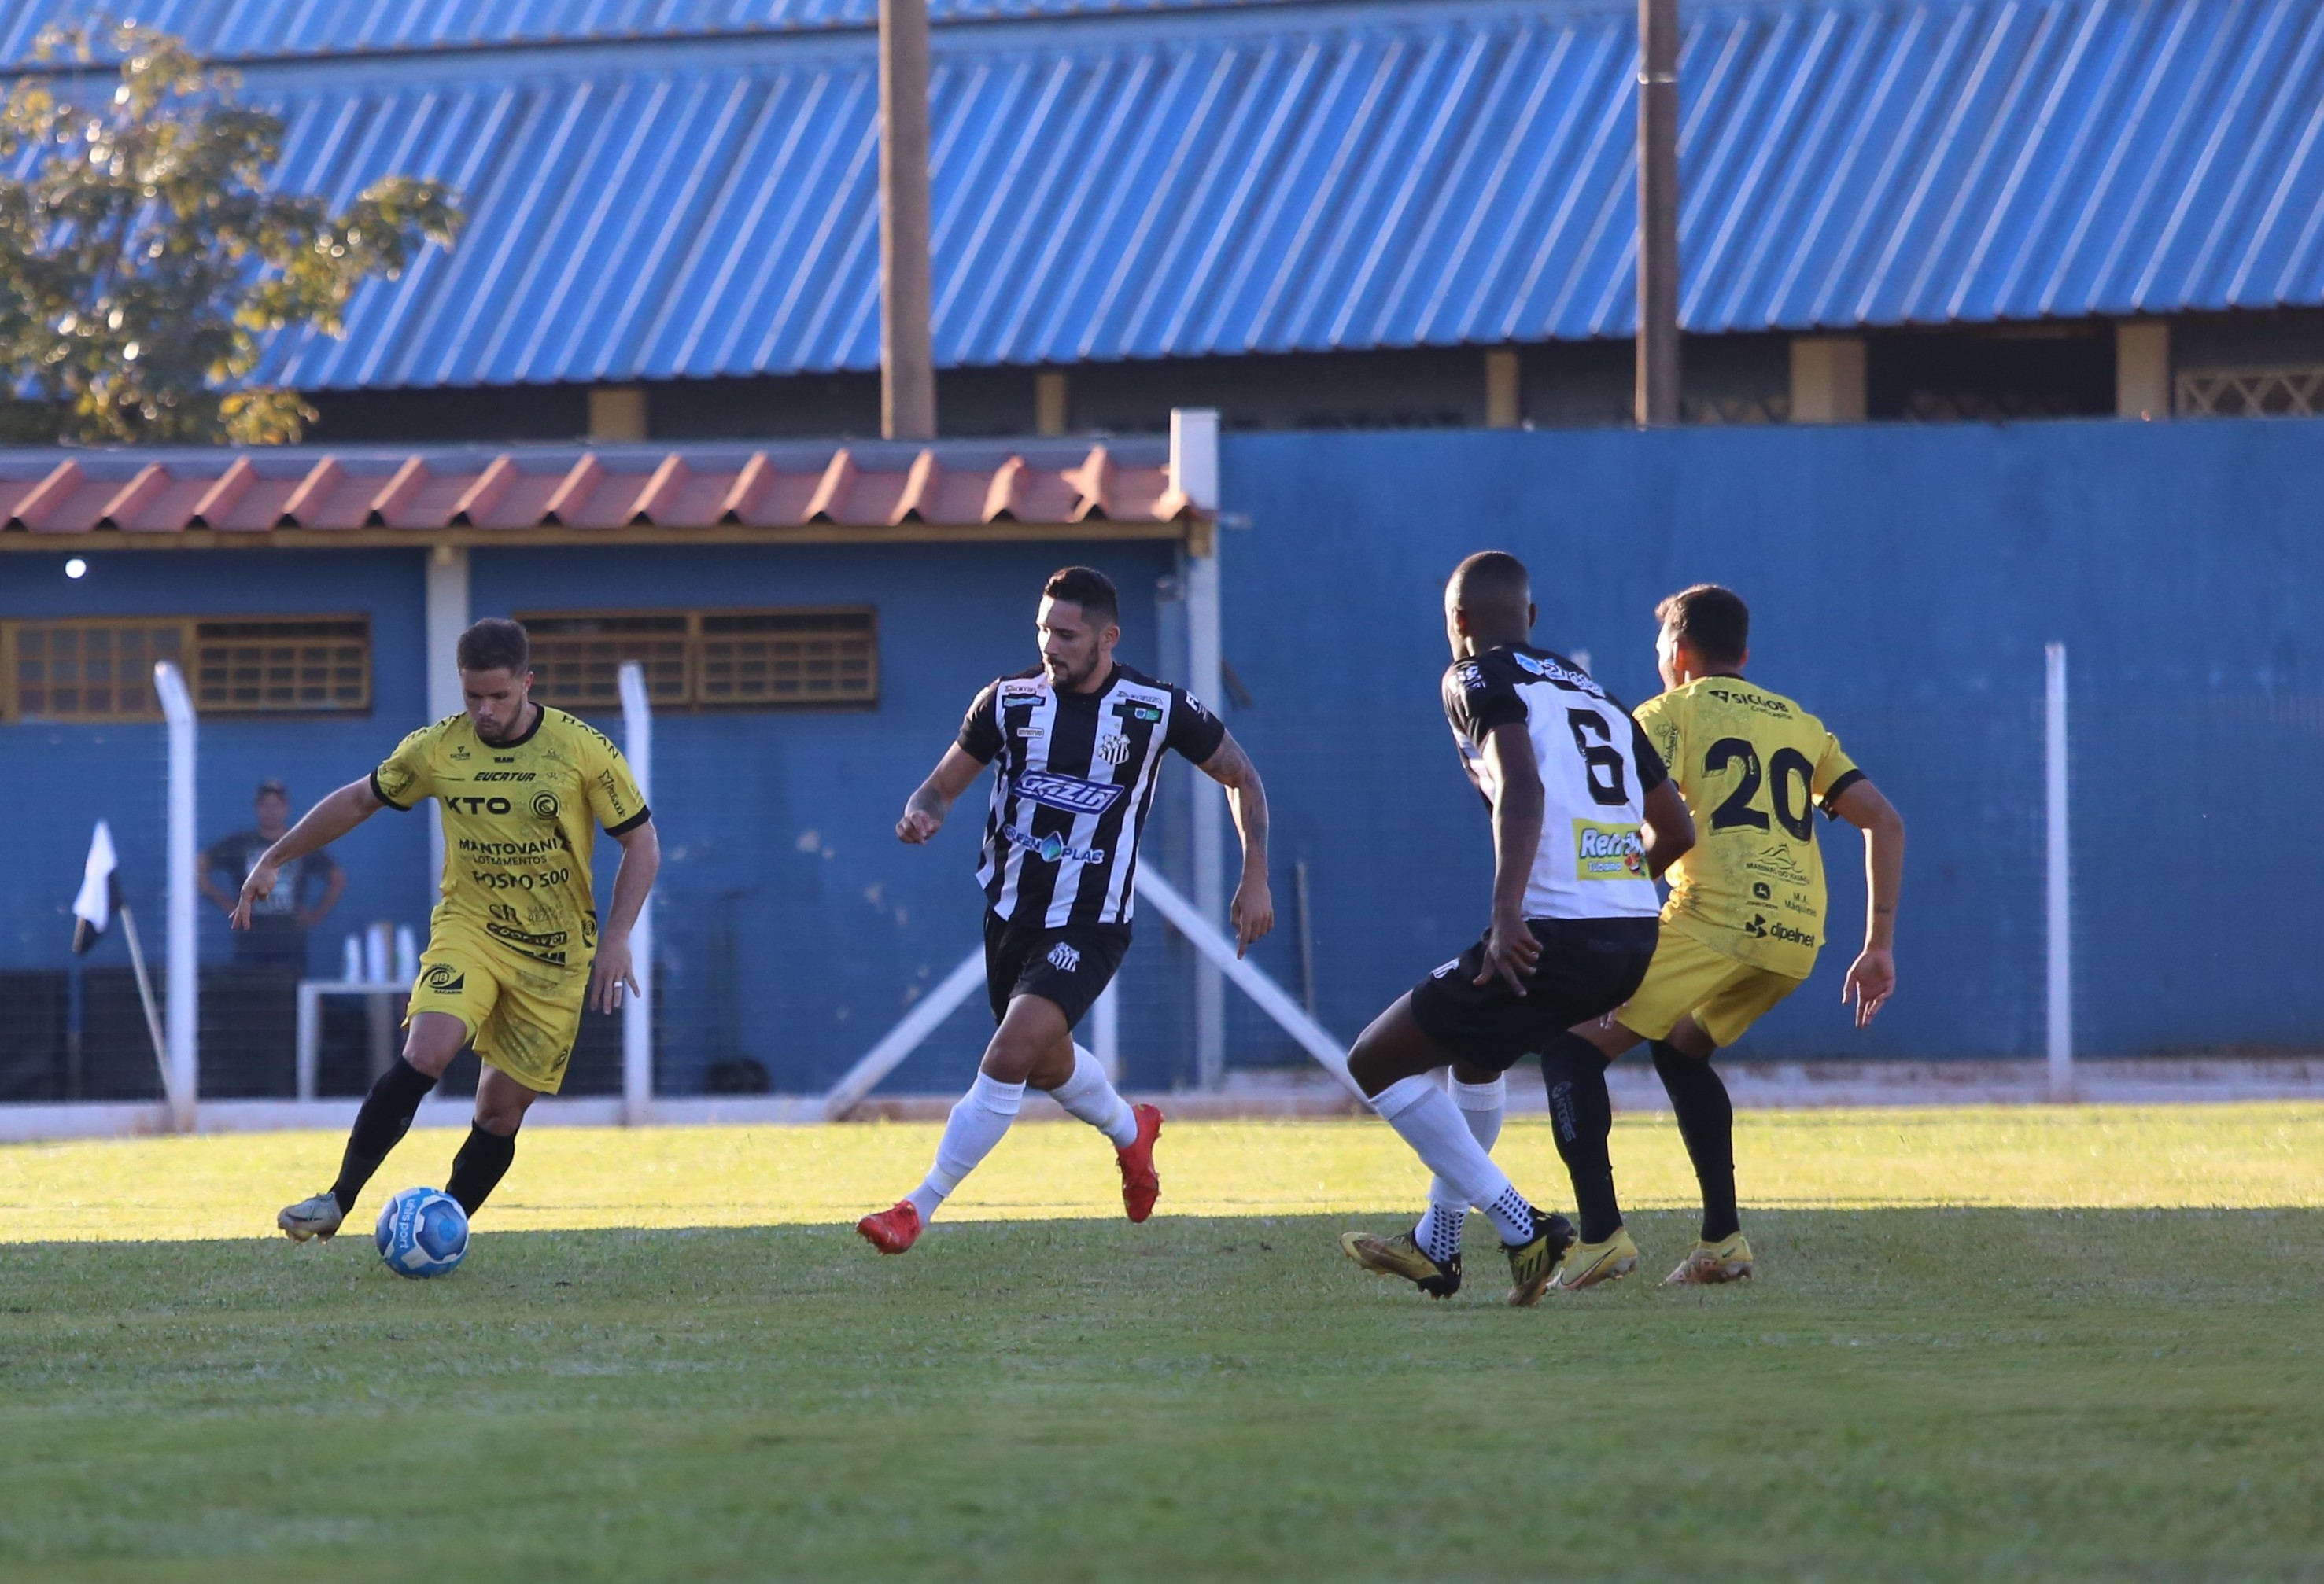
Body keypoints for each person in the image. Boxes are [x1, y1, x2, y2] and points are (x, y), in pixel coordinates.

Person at [1367, 584, 1905, 1293]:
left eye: (1659, 651)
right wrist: (1878, 945)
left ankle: (1599, 1238)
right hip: (1798, 934)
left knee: (1569, 1046)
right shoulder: (1801, 724)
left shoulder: (1666, 713)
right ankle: (1722, 1239)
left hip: (1711, 918)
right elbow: (1884, 821)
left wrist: (1608, 889)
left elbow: (1626, 807)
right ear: (1743, 651)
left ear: (1677, 655)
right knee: (1684, 1052)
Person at [856, 566, 1274, 1254]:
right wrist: (920, 815)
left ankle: (916, 1208)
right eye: (1044, 628)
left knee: (1010, 1052)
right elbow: (939, 788)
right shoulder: (1008, 701)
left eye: (1068, 633)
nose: (1052, 643)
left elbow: (1243, 777)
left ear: (1108, 637)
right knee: (1047, 1065)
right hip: (1009, 916)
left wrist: (1254, 874)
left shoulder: (1155, 707)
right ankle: (1130, 1130)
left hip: (1091, 921)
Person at [1337, 551, 1695, 1305]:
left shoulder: (1471, 676)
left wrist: (1507, 914)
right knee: (1475, 1062)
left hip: (1554, 929)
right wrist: (1620, 895)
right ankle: (1437, 1244)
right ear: (1531, 620)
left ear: (1458, 624)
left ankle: (1522, 1225)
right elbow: (1678, 830)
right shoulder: (1600, 695)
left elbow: (1521, 786)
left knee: (1375, 1061)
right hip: (1631, 933)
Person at [235, 618, 661, 1241]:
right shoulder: (440, 748)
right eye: (472, 698)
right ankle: (337, 1200)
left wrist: (617, 939)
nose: (485, 712)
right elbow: (358, 799)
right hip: (472, 931)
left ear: (526, 682)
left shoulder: (581, 749)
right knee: (427, 1052)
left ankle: (441, 1228)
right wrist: (274, 858)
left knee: (498, 1113)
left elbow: (642, 843)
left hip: (555, 955)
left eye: (499, 697)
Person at [199, 780, 343, 971]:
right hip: (250, 944)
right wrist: (226, 904)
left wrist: (316, 915)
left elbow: (337, 878)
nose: (271, 811)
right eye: (265, 805)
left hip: (291, 945)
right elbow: (197, 867)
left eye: (276, 805)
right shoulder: (240, 844)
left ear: (286, 808)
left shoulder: (301, 841)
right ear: (257, 808)